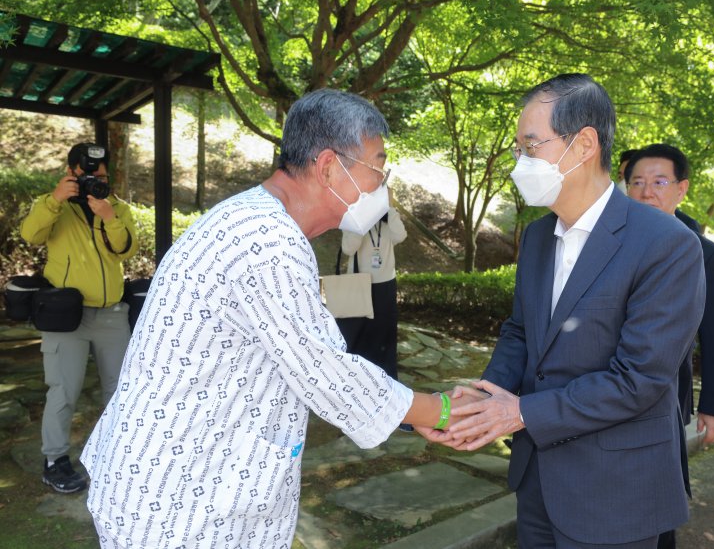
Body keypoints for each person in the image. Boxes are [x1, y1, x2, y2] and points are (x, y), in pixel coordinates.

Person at [80, 89, 477, 549]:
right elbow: (325, 371)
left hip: (181, 476)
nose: (382, 186)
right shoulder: (268, 240)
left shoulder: (253, 218)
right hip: (181, 498)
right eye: (377, 168)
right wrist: (440, 410)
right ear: (329, 166)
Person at [427, 74, 706, 548]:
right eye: (517, 149)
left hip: (617, 491)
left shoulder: (666, 245)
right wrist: (484, 397)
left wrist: (517, 414)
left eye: (531, 146)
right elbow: (521, 331)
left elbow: (639, 378)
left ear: (584, 145)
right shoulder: (538, 237)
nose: (520, 162)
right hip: (538, 483)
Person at [624, 143, 714, 548]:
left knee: (657, 503)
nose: (646, 191)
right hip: (601, 395)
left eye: (658, 182)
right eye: (636, 182)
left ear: (681, 189)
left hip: (664, 398)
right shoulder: (610, 244)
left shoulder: (705, 255)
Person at [20, 142, 138, 494]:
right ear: (71, 172)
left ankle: (119, 454)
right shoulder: (53, 205)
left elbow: (126, 249)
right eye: (88, 176)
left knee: (119, 390)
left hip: (112, 315)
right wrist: (55, 200)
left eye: (102, 177)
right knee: (63, 391)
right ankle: (55, 460)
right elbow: (30, 235)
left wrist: (109, 217)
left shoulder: (116, 207)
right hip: (65, 316)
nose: (96, 182)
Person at [338, 199, 407, 380]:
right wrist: (361, 218)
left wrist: (390, 208)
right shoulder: (353, 217)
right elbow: (348, 248)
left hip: (385, 285)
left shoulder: (389, 218)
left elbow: (400, 236)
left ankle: (386, 381)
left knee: (384, 338)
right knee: (356, 337)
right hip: (357, 284)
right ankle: (355, 379)